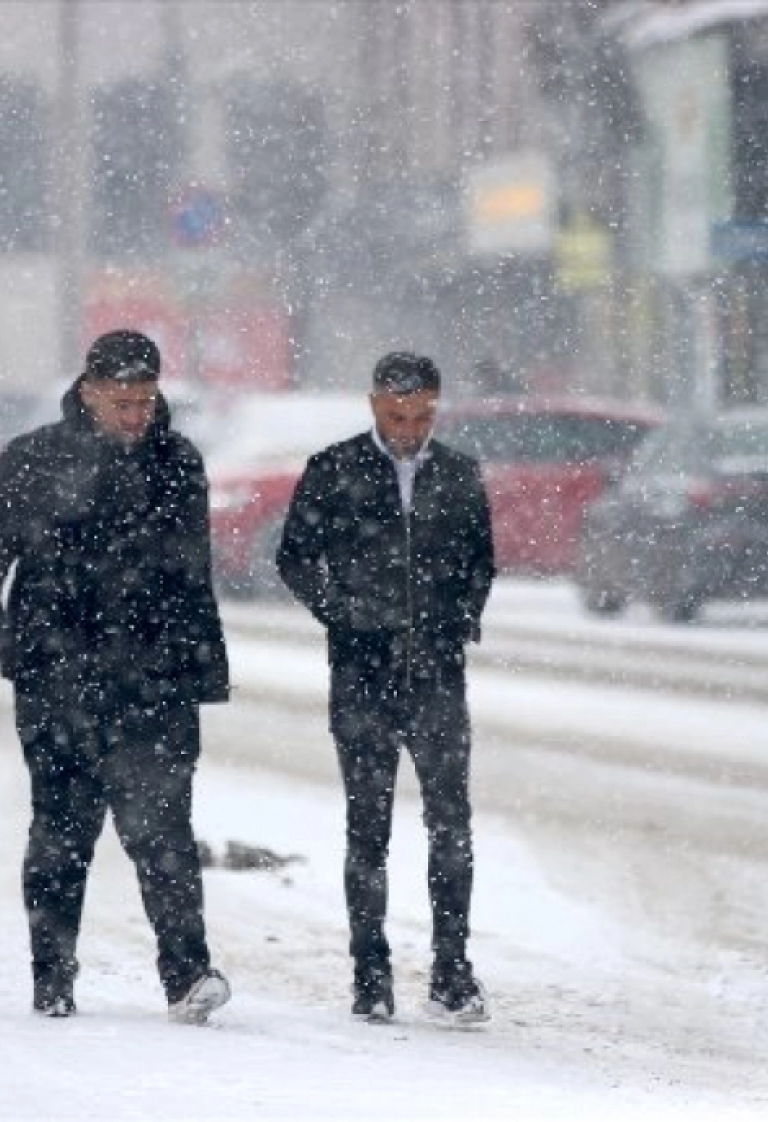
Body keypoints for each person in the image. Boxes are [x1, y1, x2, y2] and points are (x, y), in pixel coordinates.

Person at [0, 329, 232, 1025]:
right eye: (123, 401)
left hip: (154, 679)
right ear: (89, 391)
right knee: (62, 831)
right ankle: (52, 980)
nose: (136, 415)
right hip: (59, 678)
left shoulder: (177, 463)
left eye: (145, 401)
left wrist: (200, 665)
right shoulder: (35, 460)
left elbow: (191, 575)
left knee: (163, 829)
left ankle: (187, 977)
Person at [276, 351, 496, 1025]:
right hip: (362, 674)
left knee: (451, 826)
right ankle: (369, 974)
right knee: (367, 829)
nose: (410, 428)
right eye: (398, 415)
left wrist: (459, 618)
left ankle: (451, 971)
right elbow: (294, 557)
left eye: (423, 415)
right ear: (374, 404)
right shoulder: (334, 470)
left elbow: (479, 560)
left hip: (436, 674)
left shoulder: (457, 474)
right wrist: (343, 612)